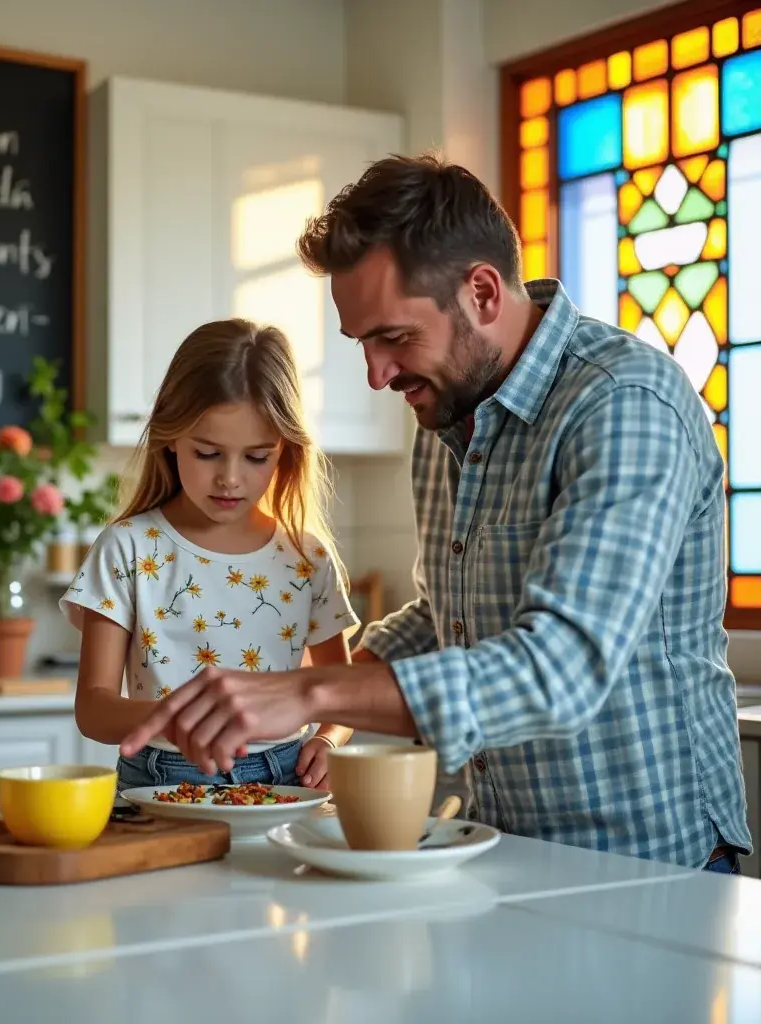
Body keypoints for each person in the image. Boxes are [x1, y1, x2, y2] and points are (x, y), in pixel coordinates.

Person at [120, 153, 752, 872]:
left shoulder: (622, 405)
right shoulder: (448, 417)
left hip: (650, 861)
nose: (377, 374)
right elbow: (447, 613)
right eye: (362, 343)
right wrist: (281, 685)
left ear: (482, 292)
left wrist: (307, 692)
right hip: (504, 844)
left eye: (394, 337)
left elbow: (561, 668)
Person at [61, 317, 359, 792]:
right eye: (207, 453)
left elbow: (341, 697)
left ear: (285, 451)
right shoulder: (128, 548)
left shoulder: (307, 558)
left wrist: (328, 740)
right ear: (170, 437)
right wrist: (175, 720)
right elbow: (93, 710)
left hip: (285, 781)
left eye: (257, 457)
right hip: (161, 781)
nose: (231, 479)